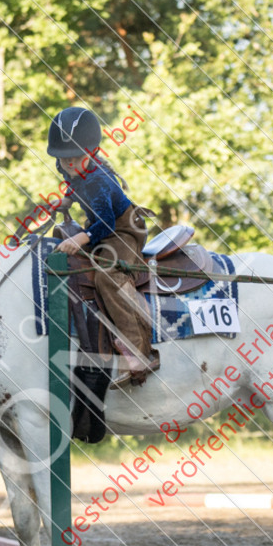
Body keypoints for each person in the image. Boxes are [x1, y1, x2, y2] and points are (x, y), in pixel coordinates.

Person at [47, 107, 160, 388]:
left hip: (122, 231)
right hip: (102, 228)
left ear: (91, 153)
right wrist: (66, 203)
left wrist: (78, 239)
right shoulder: (77, 173)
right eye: (64, 160)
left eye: (75, 159)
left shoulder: (97, 179)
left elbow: (106, 224)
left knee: (110, 277)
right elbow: (75, 188)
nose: (69, 165)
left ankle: (139, 352)